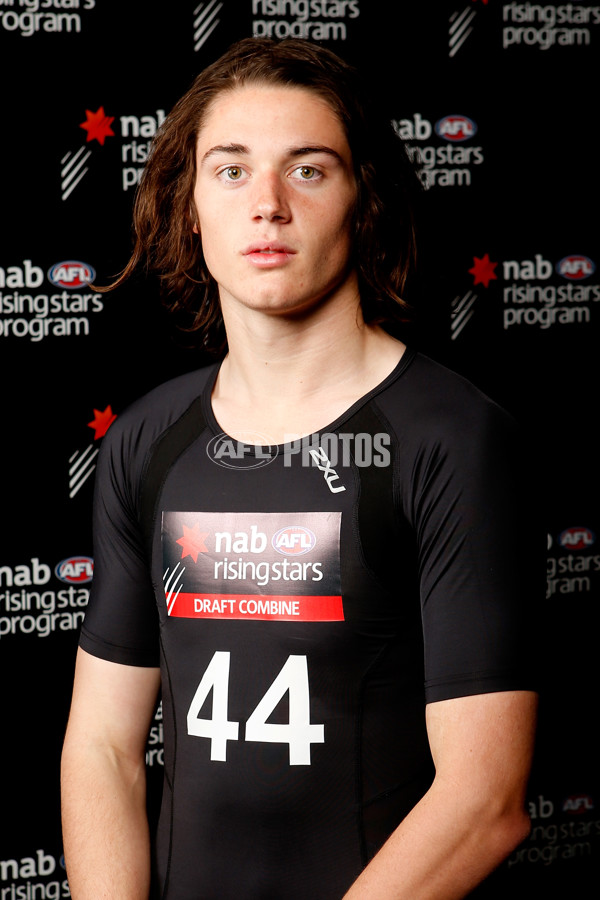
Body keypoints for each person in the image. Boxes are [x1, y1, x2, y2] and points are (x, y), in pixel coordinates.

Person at [60, 37, 539, 899]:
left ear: (364, 202)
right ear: (190, 206)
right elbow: (101, 747)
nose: (268, 206)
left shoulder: (451, 438)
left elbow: (486, 799)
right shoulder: (149, 436)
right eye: (231, 170)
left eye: (309, 170)